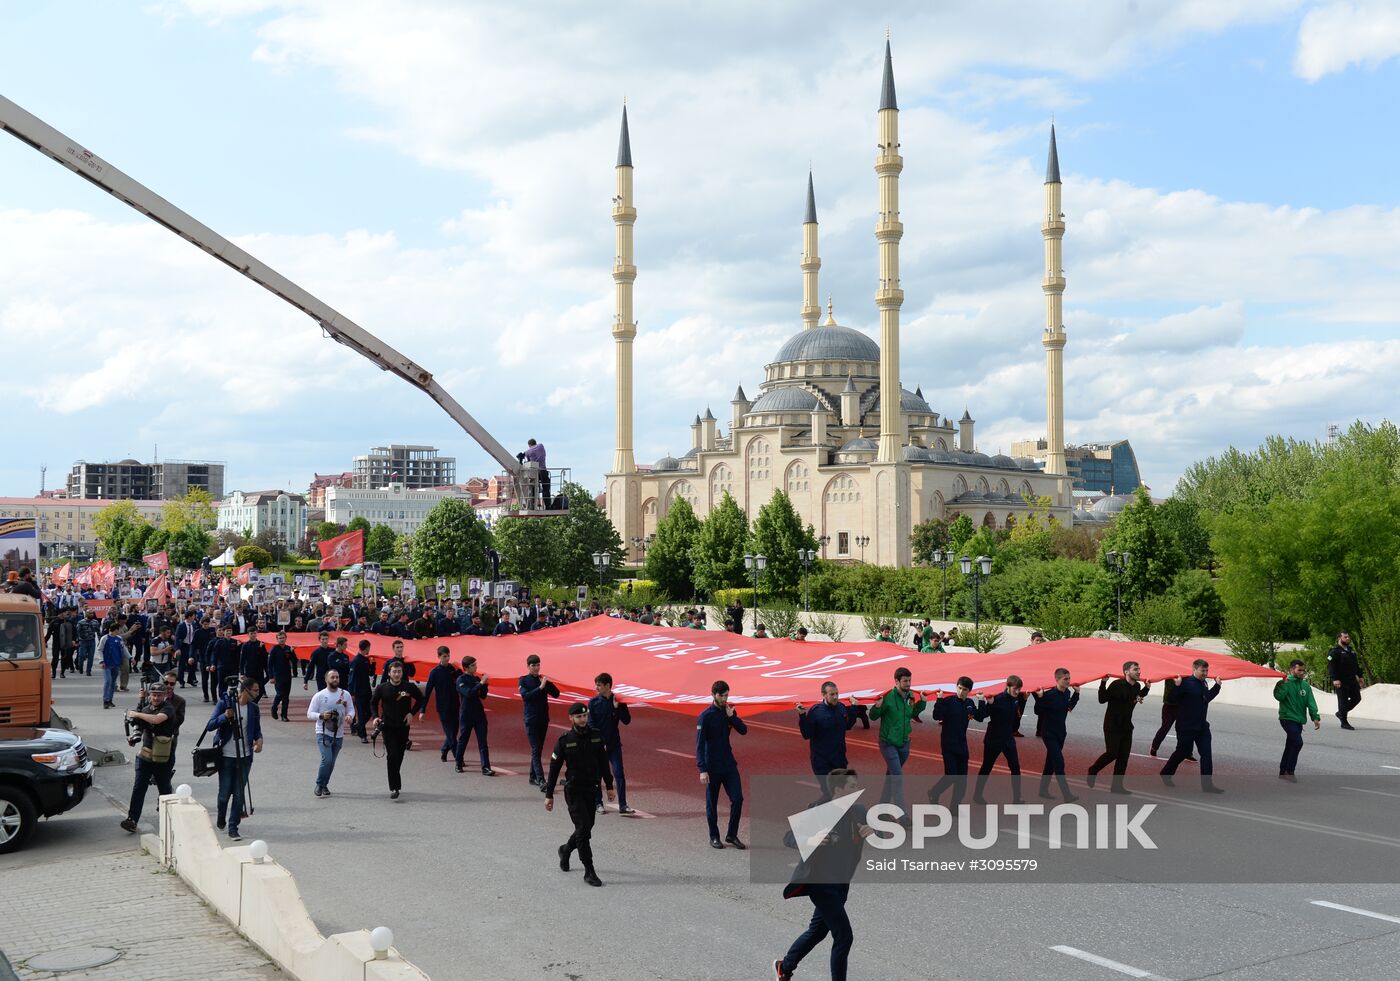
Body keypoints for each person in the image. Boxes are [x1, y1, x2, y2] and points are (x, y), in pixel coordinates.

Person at [774, 768, 870, 981]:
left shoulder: (858, 812)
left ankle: (785, 966)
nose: (857, 790)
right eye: (852, 787)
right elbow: (788, 837)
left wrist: (872, 832)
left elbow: (882, 833)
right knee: (844, 937)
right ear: (838, 789)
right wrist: (811, 840)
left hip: (841, 883)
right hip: (821, 883)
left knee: (818, 931)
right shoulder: (819, 811)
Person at [545, 702, 614, 886]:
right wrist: (549, 794)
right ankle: (589, 871)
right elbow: (554, 768)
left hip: (591, 790)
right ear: (571, 718)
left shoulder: (597, 737)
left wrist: (609, 785)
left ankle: (566, 850)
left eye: (584, 716)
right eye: (579, 717)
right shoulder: (565, 741)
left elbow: (603, 763)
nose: (582, 719)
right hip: (574, 791)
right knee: (583, 830)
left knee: (587, 827)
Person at [207, 678, 263, 840]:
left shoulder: (253, 708)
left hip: (245, 758)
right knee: (224, 793)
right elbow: (210, 725)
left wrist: (259, 741)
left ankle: (233, 827)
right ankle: (221, 815)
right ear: (245, 690)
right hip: (226, 757)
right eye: (255, 690)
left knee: (239, 794)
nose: (257, 694)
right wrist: (225, 716)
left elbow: (257, 731)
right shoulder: (225, 704)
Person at [696, 679, 748, 849]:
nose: (725, 699)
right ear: (713, 695)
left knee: (738, 798)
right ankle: (714, 836)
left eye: (727, 695)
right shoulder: (705, 717)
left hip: (728, 764)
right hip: (712, 766)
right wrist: (702, 769)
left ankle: (732, 835)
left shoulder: (728, 711)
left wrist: (732, 717)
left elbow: (743, 730)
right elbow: (699, 744)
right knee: (712, 802)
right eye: (722, 696)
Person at [119, 682, 178, 833]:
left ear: (164, 695)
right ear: (150, 695)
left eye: (159, 695)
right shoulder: (146, 709)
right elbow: (140, 727)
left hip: (163, 758)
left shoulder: (168, 708)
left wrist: (136, 714)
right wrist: (133, 738)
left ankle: (171, 821)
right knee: (139, 787)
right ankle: (132, 820)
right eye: (154, 694)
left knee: (164, 789)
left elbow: (156, 720)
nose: (156, 698)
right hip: (145, 756)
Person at [868, 667, 926, 817]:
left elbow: (912, 714)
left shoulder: (911, 696)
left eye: (909, 680)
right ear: (896, 681)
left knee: (891, 777)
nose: (908, 684)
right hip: (888, 743)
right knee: (897, 778)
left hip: (905, 743)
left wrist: (922, 704)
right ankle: (903, 815)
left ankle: (881, 812)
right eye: (905, 681)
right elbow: (873, 717)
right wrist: (877, 706)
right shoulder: (887, 697)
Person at [1087, 661, 1150, 794]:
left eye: (1139, 669)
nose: (1139, 671)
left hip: (1127, 727)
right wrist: (1103, 683)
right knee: (1112, 753)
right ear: (1126, 672)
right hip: (1112, 725)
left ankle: (1117, 786)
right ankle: (1093, 770)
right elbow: (1102, 699)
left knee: (1123, 757)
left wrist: (1147, 689)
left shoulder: (1137, 686)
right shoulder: (1117, 685)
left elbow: (1136, 698)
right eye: (1135, 669)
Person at [1160, 659, 1223, 792]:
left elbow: (1206, 698)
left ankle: (1207, 786)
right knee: (1182, 752)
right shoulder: (1185, 683)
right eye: (1202, 671)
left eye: (1207, 670)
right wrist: (1177, 687)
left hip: (1202, 727)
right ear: (1194, 669)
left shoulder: (1204, 683)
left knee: (1206, 754)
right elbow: (1171, 699)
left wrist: (1217, 686)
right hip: (1186, 726)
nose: (1205, 673)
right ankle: (1166, 773)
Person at [371, 660, 424, 799]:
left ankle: (395, 779)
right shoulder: (382, 688)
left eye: (399, 671)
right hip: (387, 726)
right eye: (394, 671)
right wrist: (376, 717)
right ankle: (394, 787)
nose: (396, 674)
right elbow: (373, 703)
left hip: (403, 726)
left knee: (399, 756)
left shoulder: (409, 686)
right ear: (389, 673)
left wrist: (411, 713)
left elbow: (421, 699)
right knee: (392, 755)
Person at [796, 682, 858, 799]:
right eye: (832, 694)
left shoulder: (841, 707)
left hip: (839, 759)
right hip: (822, 761)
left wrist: (854, 708)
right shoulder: (816, 711)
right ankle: (815, 811)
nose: (835, 697)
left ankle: (818, 811)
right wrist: (802, 716)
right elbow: (806, 734)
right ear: (823, 695)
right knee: (830, 793)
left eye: (837, 694)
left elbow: (848, 725)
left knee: (840, 793)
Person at [973, 676, 1026, 804]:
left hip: (1008, 739)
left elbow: (1016, 715)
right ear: (1007, 686)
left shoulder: (1016, 699)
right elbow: (981, 717)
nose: (1017, 692)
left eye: (1019, 689)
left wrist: (1023, 700)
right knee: (987, 767)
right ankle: (977, 795)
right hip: (993, 739)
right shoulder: (996, 699)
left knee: (1015, 768)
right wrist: (983, 702)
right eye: (1015, 689)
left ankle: (1017, 798)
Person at [589, 672, 635, 815]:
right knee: (598, 775)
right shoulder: (593, 703)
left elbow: (627, 720)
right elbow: (590, 725)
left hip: (614, 745)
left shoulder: (619, 701)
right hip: (599, 746)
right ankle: (598, 803)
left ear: (608, 686)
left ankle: (623, 805)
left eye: (599, 685)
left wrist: (616, 708)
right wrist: (598, 742)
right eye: (596, 684)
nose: (596, 687)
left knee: (619, 773)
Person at [928, 676, 976, 808]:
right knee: (951, 775)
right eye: (959, 688)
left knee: (962, 779)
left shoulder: (970, 703)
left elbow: (980, 716)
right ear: (956, 687)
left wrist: (984, 702)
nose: (961, 692)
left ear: (969, 691)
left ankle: (954, 806)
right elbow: (936, 716)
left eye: (964, 689)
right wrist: (939, 700)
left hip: (962, 744)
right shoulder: (948, 701)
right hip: (948, 744)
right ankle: (934, 792)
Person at [1032, 668, 1079, 801]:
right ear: (1057, 680)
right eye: (1065, 679)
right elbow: (1037, 711)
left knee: (1050, 763)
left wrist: (1077, 694)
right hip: (1049, 733)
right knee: (1059, 763)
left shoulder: (1067, 693)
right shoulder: (1050, 695)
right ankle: (1067, 795)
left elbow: (1069, 707)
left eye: (1069, 678)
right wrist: (1040, 698)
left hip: (1061, 733)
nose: (1068, 681)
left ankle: (1043, 790)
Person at [307, 668, 355, 797]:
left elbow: (351, 709)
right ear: (326, 679)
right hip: (323, 732)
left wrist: (350, 716)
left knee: (332, 762)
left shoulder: (345, 694)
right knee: (326, 760)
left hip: (338, 733)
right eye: (332, 677)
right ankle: (319, 784)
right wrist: (322, 715)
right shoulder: (320, 695)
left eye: (337, 677)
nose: (335, 679)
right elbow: (310, 714)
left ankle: (324, 784)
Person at [1275, 658, 1321, 781]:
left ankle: (1283, 770)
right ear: (1291, 669)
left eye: (1303, 670)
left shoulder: (1305, 686)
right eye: (1299, 670)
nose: (1302, 672)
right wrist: (1284, 685)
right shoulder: (1283, 683)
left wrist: (1315, 717)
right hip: (1286, 717)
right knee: (1297, 742)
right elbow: (1278, 696)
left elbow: (1311, 702)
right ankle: (1290, 771)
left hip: (1299, 720)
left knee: (1290, 744)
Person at [520, 655, 560, 789]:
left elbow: (556, 694)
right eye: (533, 665)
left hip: (543, 719)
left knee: (538, 749)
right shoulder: (523, 680)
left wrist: (548, 683)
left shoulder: (542, 679)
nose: (536, 668)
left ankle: (533, 777)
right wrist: (540, 687)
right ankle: (541, 780)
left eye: (538, 665)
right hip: (531, 720)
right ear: (528, 666)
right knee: (536, 749)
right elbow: (526, 697)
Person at [454, 656, 494, 775]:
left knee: (483, 741)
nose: (475, 667)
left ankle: (486, 767)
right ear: (466, 667)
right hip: (466, 714)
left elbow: (483, 696)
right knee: (463, 739)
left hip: (479, 714)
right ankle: (458, 762)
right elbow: (468, 693)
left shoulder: (476, 678)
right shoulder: (461, 680)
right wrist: (480, 683)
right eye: (473, 665)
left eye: (475, 664)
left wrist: (485, 684)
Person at [420, 646, 461, 762]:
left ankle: (444, 749)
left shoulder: (453, 669)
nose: (447, 658)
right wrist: (423, 710)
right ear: (439, 657)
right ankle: (459, 759)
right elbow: (427, 692)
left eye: (448, 656)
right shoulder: (434, 672)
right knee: (451, 735)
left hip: (455, 705)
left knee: (453, 732)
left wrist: (459, 670)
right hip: (443, 708)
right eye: (444, 656)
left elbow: (461, 680)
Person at [1327, 631, 1364, 730]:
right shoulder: (1334, 651)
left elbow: (1356, 665)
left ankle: (1340, 713)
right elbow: (1331, 666)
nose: (1348, 638)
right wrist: (1335, 679)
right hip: (1341, 681)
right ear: (1339, 638)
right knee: (1342, 701)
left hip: (1352, 680)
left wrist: (1360, 676)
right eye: (1345, 637)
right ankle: (1344, 722)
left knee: (1357, 698)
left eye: (1348, 637)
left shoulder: (1351, 651)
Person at [348, 639, 375, 741]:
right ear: (366, 648)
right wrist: (352, 692)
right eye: (369, 648)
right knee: (360, 712)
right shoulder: (355, 661)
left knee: (369, 712)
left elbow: (370, 673)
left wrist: (373, 665)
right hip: (358, 691)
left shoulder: (366, 659)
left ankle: (358, 726)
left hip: (367, 690)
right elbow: (352, 677)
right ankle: (363, 735)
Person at [267, 630, 297, 721]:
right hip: (277, 675)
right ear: (277, 639)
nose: (281, 640)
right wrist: (271, 677)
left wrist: (292, 652)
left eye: (283, 638)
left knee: (286, 697)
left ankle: (284, 715)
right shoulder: (274, 649)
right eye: (279, 638)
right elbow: (270, 664)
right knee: (280, 694)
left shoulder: (288, 648)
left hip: (287, 675)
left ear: (286, 638)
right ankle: (274, 707)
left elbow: (294, 661)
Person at [99, 620, 128, 709]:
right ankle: (105, 700)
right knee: (108, 681)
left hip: (116, 663)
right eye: (118, 629)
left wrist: (130, 658)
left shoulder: (119, 638)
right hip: (107, 664)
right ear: (115, 629)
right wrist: (101, 661)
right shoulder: (105, 638)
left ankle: (110, 700)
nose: (119, 631)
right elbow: (100, 649)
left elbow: (124, 649)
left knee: (113, 683)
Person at [238, 627, 268, 701]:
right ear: (248, 634)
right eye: (251, 633)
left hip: (259, 670)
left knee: (260, 689)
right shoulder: (245, 645)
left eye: (254, 633)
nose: (253, 635)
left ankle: (254, 702)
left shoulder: (261, 644)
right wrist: (242, 673)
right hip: (249, 670)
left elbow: (264, 658)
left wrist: (267, 671)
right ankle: (251, 703)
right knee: (250, 689)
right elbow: (242, 660)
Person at [522, 437, 550, 506]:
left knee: (533, 487)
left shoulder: (528, 452)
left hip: (535, 472)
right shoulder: (541, 446)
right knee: (546, 488)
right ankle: (547, 505)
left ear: (529, 445)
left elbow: (529, 462)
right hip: (543, 470)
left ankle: (533, 503)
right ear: (535, 443)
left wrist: (523, 454)